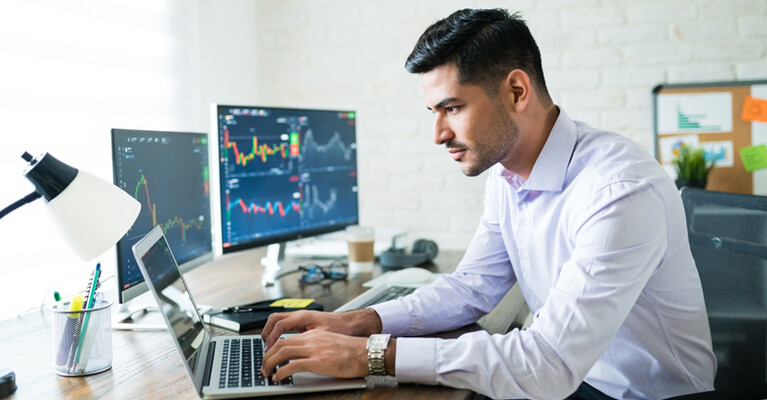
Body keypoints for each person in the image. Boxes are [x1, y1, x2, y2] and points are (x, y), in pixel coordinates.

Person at [260, 8, 717, 399]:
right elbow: (473, 286)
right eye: (433, 113)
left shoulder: (619, 190)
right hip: (578, 381)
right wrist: (362, 321)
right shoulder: (507, 174)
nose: (438, 134)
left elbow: (549, 363)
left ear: (516, 92)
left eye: (452, 108)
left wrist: (371, 356)